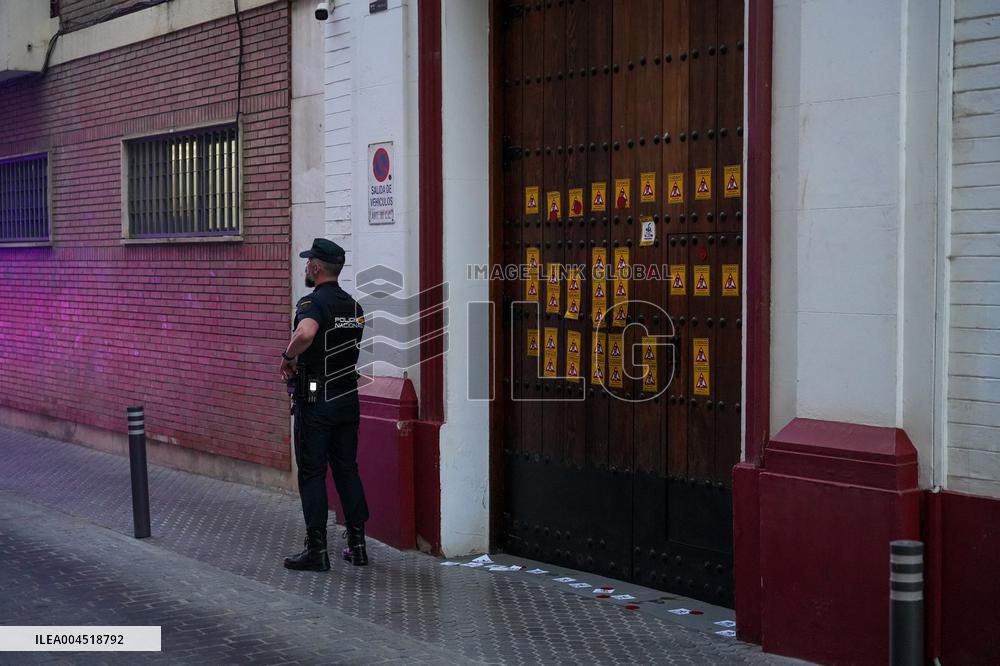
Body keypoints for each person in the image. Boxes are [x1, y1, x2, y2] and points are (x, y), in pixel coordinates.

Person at [280, 238, 369, 572]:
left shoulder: (312, 303)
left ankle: (317, 551)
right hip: (347, 397)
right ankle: (357, 546)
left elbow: (305, 334)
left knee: (313, 471)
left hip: (317, 397)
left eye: (308, 262)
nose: (306, 266)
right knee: (347, 469)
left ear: (316, 267)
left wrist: (288, 356)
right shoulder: (354, 308)